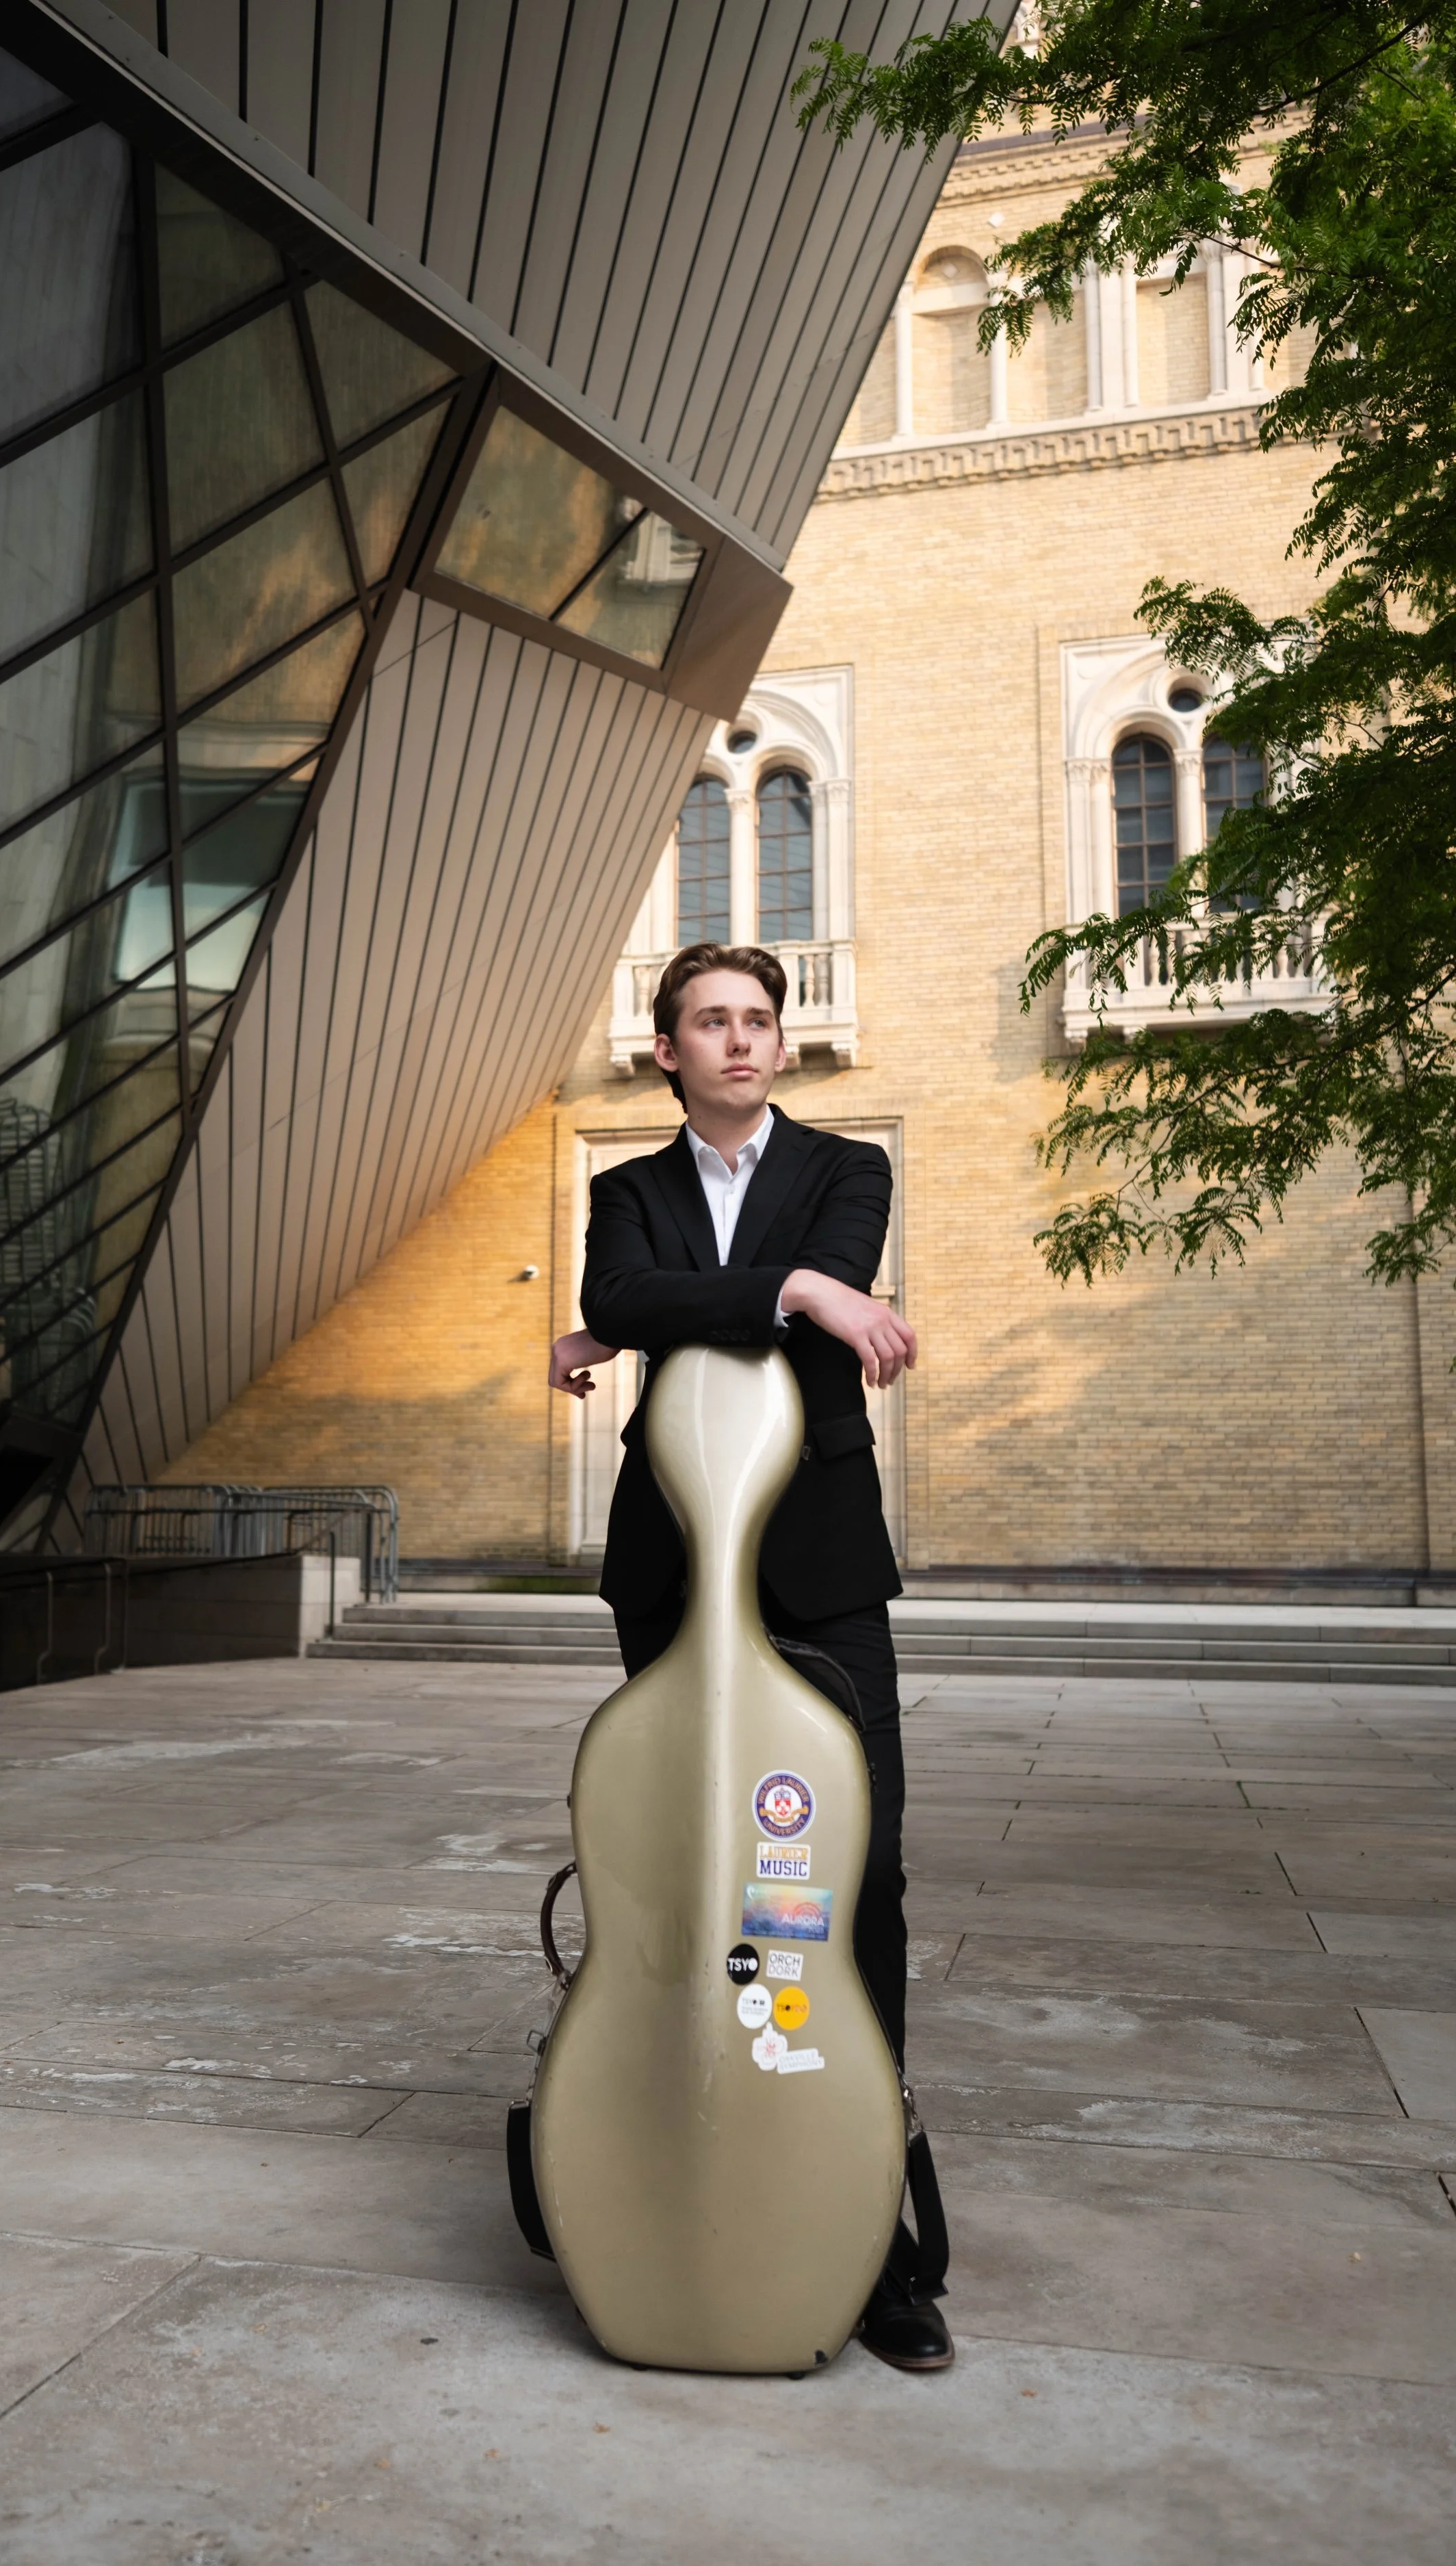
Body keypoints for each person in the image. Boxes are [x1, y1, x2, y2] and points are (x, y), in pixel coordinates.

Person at [549, 939, 953, 2373]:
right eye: (708, 1021)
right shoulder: (625, 1193)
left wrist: (728, 1295)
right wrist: (788, 1293)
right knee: (671, 1869)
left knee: (859, 1879)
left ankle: (876, 2241)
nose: (736, 1039)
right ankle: (666, 2165)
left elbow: (654, 1311)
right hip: (668, 1556)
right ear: (665, 1049)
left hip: (821, 1566)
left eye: (754, 1020)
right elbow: (642, 1297)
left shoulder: (848, 1168)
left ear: (778, 1044)